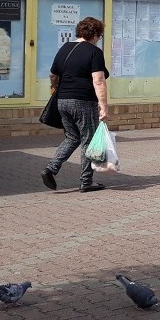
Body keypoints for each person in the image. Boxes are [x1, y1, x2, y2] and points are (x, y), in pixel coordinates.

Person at [41, 17, 109, 192]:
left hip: (63, 101)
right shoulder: (94, 52)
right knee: (89, 139)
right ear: (94, 34)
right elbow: (99, 80)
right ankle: (86, 182)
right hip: (83, 101)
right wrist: (103, 105)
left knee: (72, 137)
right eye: (99, 36)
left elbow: (52, 75)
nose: (98, 39)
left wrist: (55, 87)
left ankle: (50, 169)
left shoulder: (65, 48)